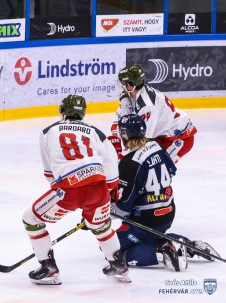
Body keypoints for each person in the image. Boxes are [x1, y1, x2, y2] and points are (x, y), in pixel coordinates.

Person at [22, 95, 130, 285]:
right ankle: (118, 265)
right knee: (101, 225)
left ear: (62, 112)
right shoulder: (96, 132)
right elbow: (111, 162)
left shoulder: (48, 131)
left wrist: (64, 194)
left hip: (69, 190)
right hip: (99, 188)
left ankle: (48, 267)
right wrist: (109, 191)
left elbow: (50, 172)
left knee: (31, 218)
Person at [112, 114, 220, 271]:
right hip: (167, 213)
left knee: (112, 249)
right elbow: (171, 170)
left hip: (145, 220)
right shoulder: (157, 147)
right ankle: (187, 244)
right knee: (148, 235)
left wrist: (102, 213)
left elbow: (122, 209)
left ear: (125, 134)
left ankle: (163, 249)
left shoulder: (129, 163)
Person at [108, 64, 197, 163]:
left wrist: (123, 157)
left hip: (178, 139)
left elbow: (142, 143)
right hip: (160, 135)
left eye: (123, 83)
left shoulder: (146, 107)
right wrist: (116, 139)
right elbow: (121, 120)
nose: (121, 86)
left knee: (152, 167)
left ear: (130, 86)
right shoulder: (129, 95)